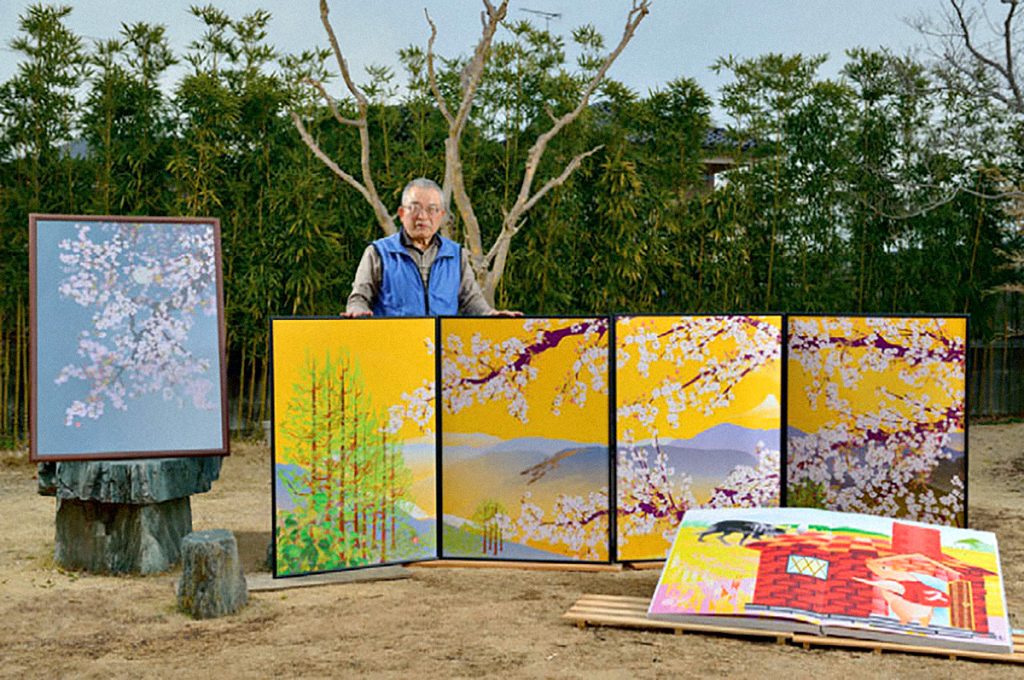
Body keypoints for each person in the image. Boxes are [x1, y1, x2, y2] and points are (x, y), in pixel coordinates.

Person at [343, 177, 520, 317]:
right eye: (414, 208)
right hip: (395, 346)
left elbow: (472, 302)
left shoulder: (456, 255)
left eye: (432, 209)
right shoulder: (379, 252)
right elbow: (359, 298)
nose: (422, 216)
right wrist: (358, 311)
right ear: (402, 213)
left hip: (442, 345)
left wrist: (491, 315)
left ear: (441, 215)